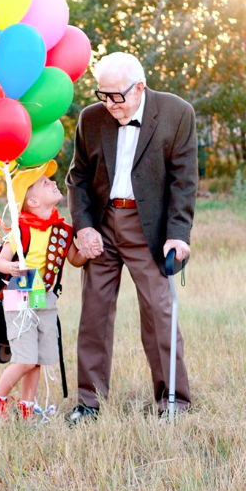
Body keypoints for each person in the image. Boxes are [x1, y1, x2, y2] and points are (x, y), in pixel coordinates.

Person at [66, 52, 198, 424]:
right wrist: (84, 227)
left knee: (160, 312)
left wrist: (178, 234)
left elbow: (184, 181)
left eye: (115, 97)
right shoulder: (91, 118)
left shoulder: (177, 113)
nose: (107, 104)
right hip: (102, 223)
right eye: (101, 95)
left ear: (139, 87)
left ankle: (174, 402)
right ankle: (88, 404)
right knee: (93, 313)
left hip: (150, 228)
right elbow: (77, 177)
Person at [0, 159, 88, 421]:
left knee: (38, 358)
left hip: (46, 297)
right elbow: (1, 262)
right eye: (44, 182)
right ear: (33, 202)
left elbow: (74, 259)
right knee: (25, 358)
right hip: (21, 295)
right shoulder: (20, 230)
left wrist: (87, 252)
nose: (53, 182)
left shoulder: (61, 230)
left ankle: (28, 407)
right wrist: (13, 266)